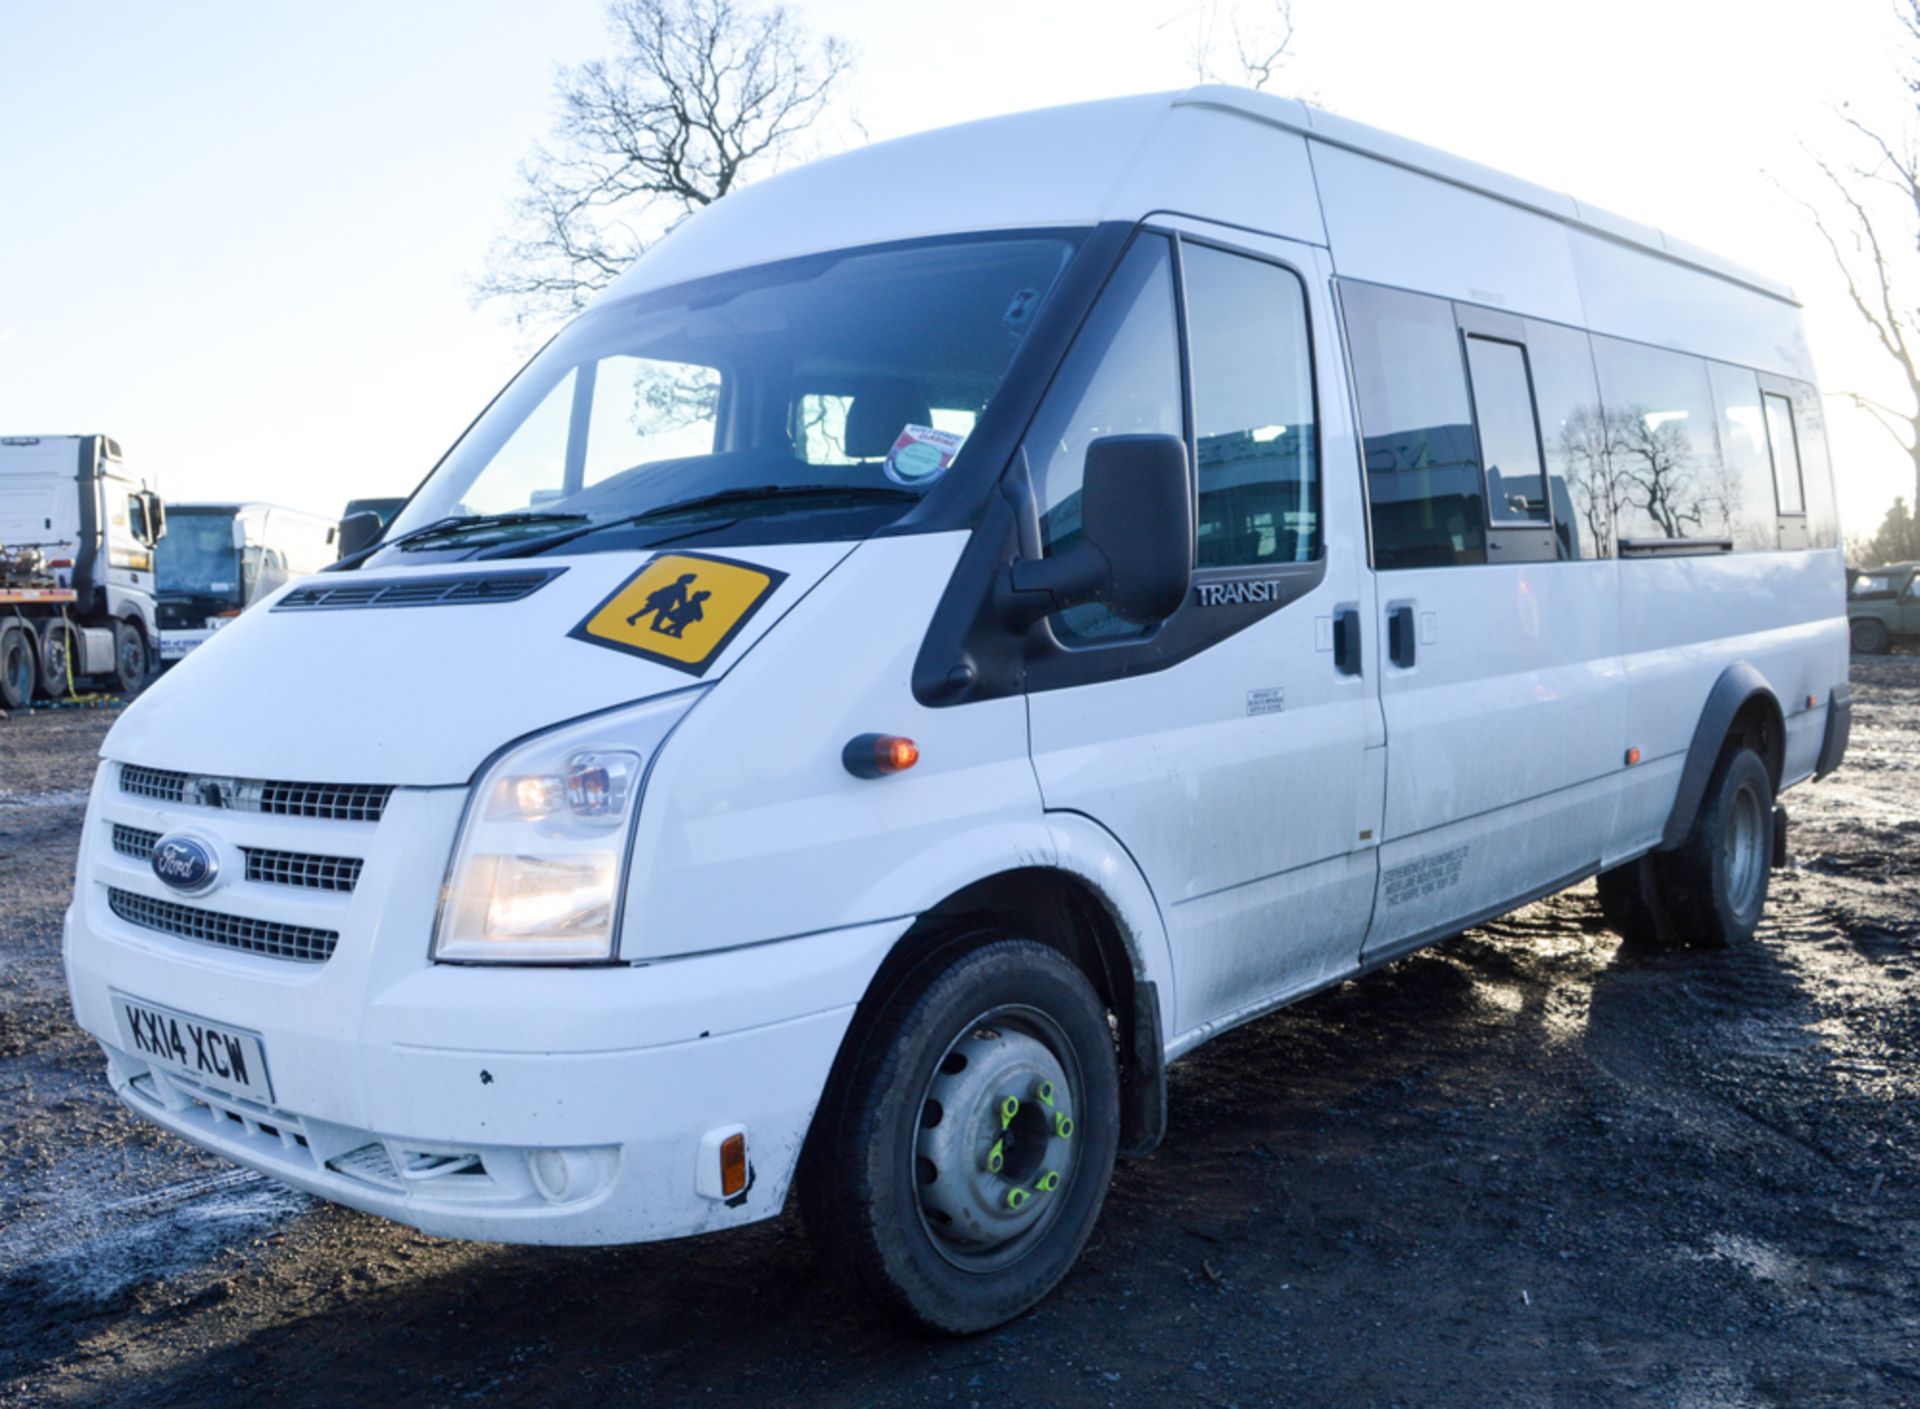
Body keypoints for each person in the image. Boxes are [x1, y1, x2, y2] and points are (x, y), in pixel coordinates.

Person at [627, 572, 697, 632]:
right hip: (664, 601)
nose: (691, 581)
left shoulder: (675, 585)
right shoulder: (681, 587)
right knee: (654, 612)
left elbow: (679, 598)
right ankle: (634, 618)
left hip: (663, 601)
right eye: (691, 579)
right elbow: (681, 598)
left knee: (657, 613)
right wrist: (683, 606)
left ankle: (653, 625)